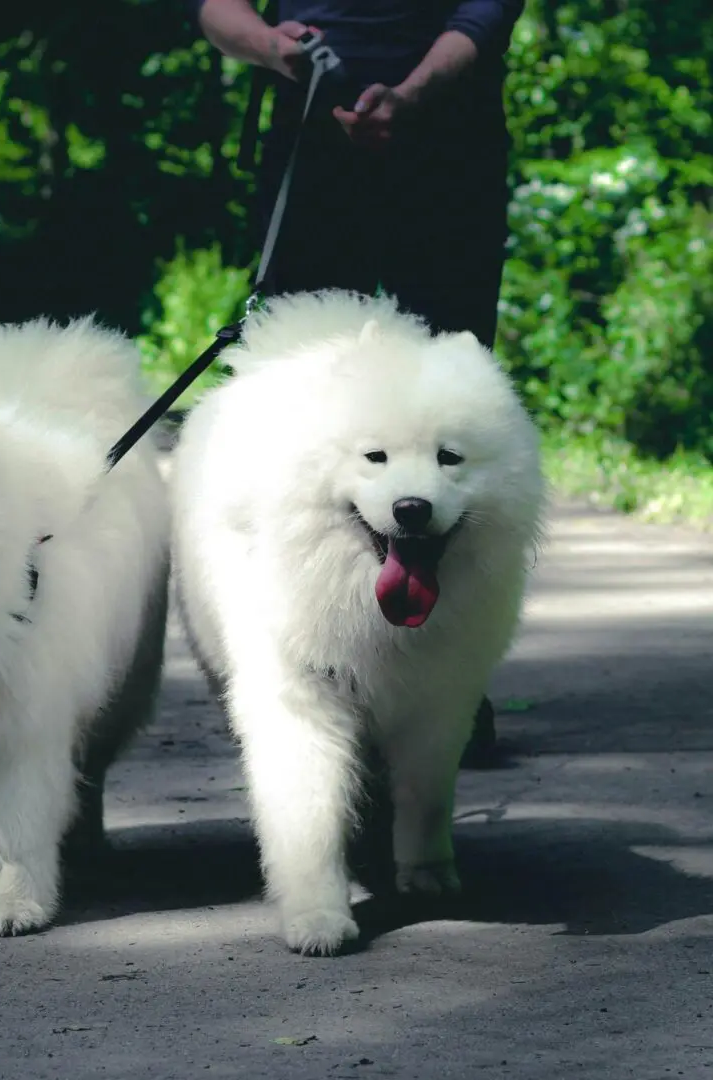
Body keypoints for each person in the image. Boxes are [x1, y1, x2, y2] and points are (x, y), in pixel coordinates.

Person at [192, 0, 527, 763]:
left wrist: (412, 93)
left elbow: (486, 14)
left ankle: (447, 680)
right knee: (293, 400)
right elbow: (217, 8)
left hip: (450, 144)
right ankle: (295, 653)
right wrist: (276, 49)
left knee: (446, 418)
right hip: (310, 131)